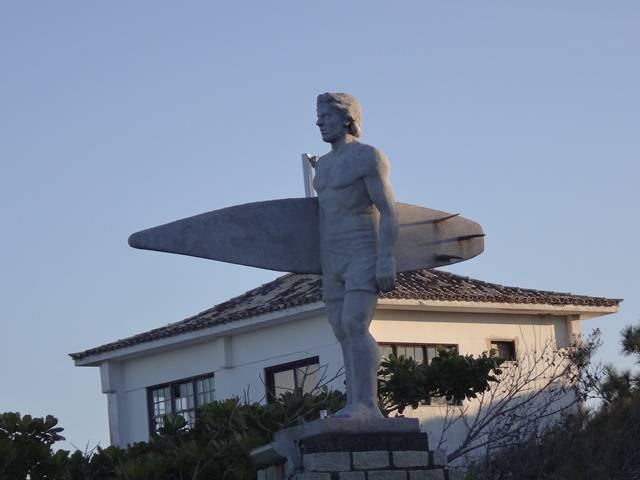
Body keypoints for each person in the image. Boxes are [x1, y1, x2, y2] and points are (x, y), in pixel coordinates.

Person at [313, 92, 399, 418]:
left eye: (326, 116)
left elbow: (388, 211)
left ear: (347, 118)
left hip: (363, 248)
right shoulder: (321, 166)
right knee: (340, 330)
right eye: (318, 116)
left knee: (355, 323)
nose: (319, 122)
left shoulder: (368, 157)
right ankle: (354, 402)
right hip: (331, 256)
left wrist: (386, 257)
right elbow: (322, 215)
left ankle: (367, 404)